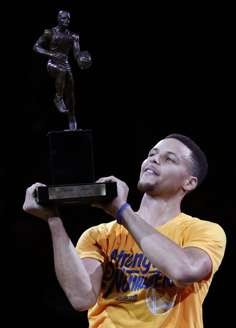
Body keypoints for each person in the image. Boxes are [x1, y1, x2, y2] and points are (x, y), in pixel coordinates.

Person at [23, 133, 226, 327]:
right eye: (151, 154)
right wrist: (53, 219)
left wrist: (122, 211)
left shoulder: (204, 231)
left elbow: (184, 270)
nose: (153, 160)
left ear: (189, 182)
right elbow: (81, 298)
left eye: (169, 159)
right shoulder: (100, 235)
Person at [33, 10, 92, 130]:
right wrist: (52, 54)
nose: (67, 21)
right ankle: (58, 97)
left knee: (71, 93)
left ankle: (72, 120)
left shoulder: (73, 36)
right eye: (64, 18)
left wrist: (82, 58)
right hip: (52, 64)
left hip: (65, 65)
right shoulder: (49, 32)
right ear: (59, 19)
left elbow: (76, 53)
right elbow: (36, 47)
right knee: (62, 70)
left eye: (69, 19)